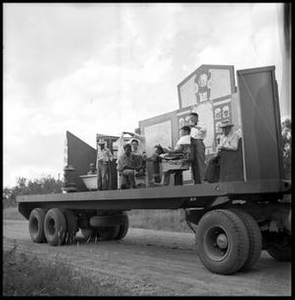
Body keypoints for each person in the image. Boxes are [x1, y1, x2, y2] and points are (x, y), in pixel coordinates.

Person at [189, 112, 207, 184]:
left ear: (196, 118)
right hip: (192, 144)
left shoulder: (201, 124)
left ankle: (204, 180)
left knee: (200, 162)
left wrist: (194, 126)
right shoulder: (192, 128)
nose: (191, 120)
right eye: (190, 119)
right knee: (194, 163)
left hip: (199, 143)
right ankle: (196, 181)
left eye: (192, 118)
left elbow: (204, 130)